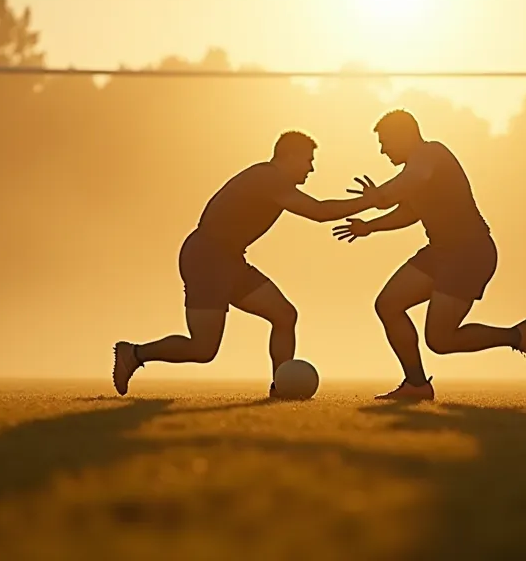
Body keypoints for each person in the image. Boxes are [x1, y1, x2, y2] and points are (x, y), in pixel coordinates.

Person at [112, 131, 378, 398]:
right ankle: (134, 353)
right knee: (203, 349)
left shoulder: (274, 181)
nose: (311, 168)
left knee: (284, 315)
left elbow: (318, 210)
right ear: (289, 156)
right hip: (206, 259)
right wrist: (370, 201)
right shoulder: (268, 178)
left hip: (230, 260)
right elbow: (319, 212)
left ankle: (281, 388)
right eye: (308, 160)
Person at [333, 109, 526, 400]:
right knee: (388, 304)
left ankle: (518, 336)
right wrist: (369, 226)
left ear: (405, 135)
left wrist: (380, 197)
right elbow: (408, 212)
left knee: (440, 340)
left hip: (470, 254)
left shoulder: (430, 154)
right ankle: (416, 385)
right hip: (440, 252)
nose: (383, 150)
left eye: (385, 142)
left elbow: (410, 181)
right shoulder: (412, 171)